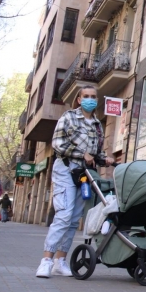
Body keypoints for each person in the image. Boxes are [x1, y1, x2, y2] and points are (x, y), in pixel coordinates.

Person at [36, 85, 113, 278]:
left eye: (93, 96)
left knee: (73, 220)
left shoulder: (97, 125)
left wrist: (105, 159)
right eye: (86, 96)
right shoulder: (69, 117)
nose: (90, 99)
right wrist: (82, 154)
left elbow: (95, 153)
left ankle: (59, 261)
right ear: (79, 99)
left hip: (85, 174)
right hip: (66, 169)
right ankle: (46, 260)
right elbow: (58, 144)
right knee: (64, 214)